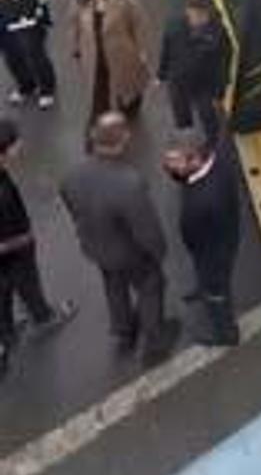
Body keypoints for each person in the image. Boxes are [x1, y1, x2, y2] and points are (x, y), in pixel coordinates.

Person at [60, 112, 179, 367]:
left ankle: (123, 329)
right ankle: (155, 342)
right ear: (124, 139)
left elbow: (72, 208)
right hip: (131, 254)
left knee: (114, 285)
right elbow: (146, 231)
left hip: (96, 248)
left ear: (94, 137)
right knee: (150, 288)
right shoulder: (129, 183)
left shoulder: (71, 175)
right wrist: (159, 253)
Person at [0, 117, 77, 377]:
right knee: (27, 283)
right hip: (14, 252)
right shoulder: (3, 194)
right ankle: (43, 316)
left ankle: (7, 329)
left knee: (3, 293)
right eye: (16, 142)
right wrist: (26, 238)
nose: (20, 145)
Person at [163, 140, 240, 347]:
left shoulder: (201, 202)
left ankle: (226, 334)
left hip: (213, 253)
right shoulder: (218, 161)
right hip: (222, 237)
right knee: (208, 279)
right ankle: (203, 288)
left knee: (217, 292)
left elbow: (191, 237)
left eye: (174, 162)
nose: (168, 166)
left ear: (195, 160)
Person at [71, 0, 150, 125]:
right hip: (94, 53)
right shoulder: (80, 0)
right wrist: (76, 48)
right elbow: (74, 26)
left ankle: (130, 108)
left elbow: (138, 24)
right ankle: (103, 115)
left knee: (127, 84)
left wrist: (142, 49)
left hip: (121, 52)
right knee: (99, 85)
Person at [158, 0, 232, 149]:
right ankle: (186, 134)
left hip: (204, 85)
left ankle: (213, 143)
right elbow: (166, 50)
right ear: (187, 10)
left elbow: (223, 65)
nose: (196, 18)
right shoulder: (174, 25)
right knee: (180, 109)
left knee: (208, 115)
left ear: (209, 13)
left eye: (201, 15)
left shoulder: (219, 34)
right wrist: (161, 74)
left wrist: (219, 93)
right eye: (193, 13)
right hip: (178, 79)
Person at [0, 0, 56, 108]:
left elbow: (21, 12)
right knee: (13, 60)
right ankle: (26, 86)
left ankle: (46, 90)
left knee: (36, 59)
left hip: (28, 31)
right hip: (6, 32)